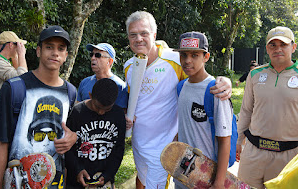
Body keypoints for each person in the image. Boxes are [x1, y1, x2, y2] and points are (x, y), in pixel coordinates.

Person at [124, 11, 233, 189]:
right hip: (138, 144)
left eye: (144, 33)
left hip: (165, 146)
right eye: (133, 35)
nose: (138, 39)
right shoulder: (128, 65)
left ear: (154, 35)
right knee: (141, 181)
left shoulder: (175, 59)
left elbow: (198, 76)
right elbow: (134, 99)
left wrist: (224, 81)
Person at [0, 25, 78, 189]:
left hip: (55, 182)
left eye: (61, 48)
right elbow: (0, 143)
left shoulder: (71, 92)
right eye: (49, 47)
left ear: (66, 55)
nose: (55, 53)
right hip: (17, 182)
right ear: (38, 51)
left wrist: (73, 137)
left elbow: (72, 135)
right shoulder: (15, 88)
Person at [236, 26, 298, 189]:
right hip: (253, 151)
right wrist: (238, 139)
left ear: (293, 47)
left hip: (289, 154)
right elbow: (246, 110)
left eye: (283, 45)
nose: (278, 49)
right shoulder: (255, 75)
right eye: (273, 45)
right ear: (267, 49)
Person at [174, 32, 233, 189]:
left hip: (207, 179)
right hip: (182, 175)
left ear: (206, 57)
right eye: (184, 55)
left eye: (195, 55)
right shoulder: (181, 87)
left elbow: (224, 139)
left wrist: (219, 183)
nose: (187, 60)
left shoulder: (216, 90)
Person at [65, 78, 126, 189]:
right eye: (97, 107)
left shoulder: (118, 115)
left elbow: (119, 148)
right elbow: (68, 149)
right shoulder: (77, 113)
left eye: (107, 109)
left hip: (104, 180)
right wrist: (77, 169)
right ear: (90, 95)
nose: (101, 112)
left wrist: (108, 174)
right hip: (76, 181)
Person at [0, 31, 28, 126]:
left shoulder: (2, 61)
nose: (19, 48)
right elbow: (23, 79)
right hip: (3, 114)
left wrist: (15, 57)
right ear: (11, 45)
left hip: (8, 113)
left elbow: (18, 76)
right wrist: (21, 55)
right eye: (17, 45)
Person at [77, 43, 128, 109]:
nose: (93, 58)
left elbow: (121, 114)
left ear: (109, 61)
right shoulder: (85, 82)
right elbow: (78, 109)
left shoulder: (120, 86)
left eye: (98, 55)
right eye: (91, 54)